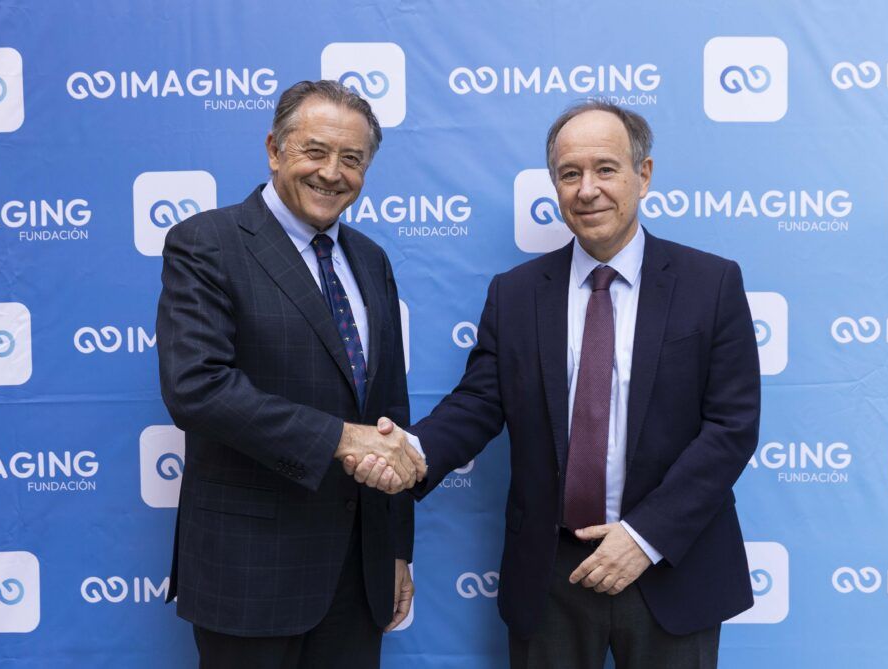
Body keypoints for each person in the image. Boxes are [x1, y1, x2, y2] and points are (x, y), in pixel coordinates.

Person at [349, 101, 760, 668]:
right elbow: (478, 403)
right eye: (570, 174)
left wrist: (644, 537)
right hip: (550, 573)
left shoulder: (710, 284)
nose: (587, 189)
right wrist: (412, 452)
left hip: (671, 563)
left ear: (643, 175)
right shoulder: (515, 294)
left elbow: (731, 428)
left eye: (605, 169)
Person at [156, 79, 426, 669]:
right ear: (274, 149)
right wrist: (341, 438)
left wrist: (395, 549)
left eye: (352, 159)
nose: (332, 173)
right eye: (315, 151)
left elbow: (390, 415)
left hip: (358, 577)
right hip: (251, 574)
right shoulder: (207, 243)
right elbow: (196, 388)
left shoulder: (371, 259)